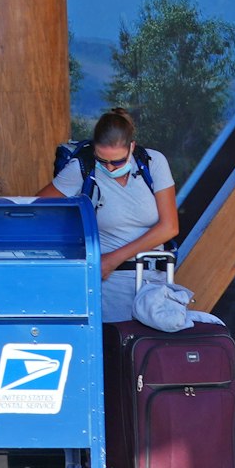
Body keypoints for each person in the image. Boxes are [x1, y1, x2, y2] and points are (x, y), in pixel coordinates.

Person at [53, 110, 180, 323]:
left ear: (132, 147)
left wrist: (113, 259)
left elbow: (170, 227)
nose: (110, 167)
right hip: (109, 285)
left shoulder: (153, 162)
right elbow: (39, 209)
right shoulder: (81, 168)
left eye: (118, 162)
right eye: (102, 161)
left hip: (154, 282)